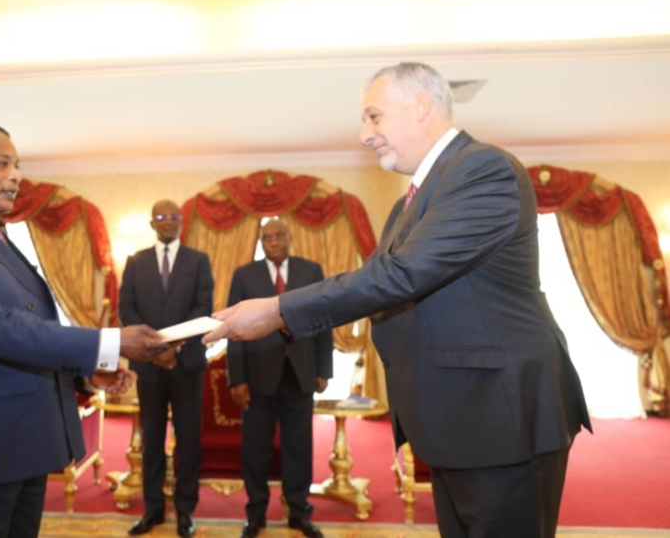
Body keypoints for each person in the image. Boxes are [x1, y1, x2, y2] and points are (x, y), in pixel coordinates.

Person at [204, 62, 592, 538]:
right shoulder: (411, 201)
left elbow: (401, 275)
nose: (364, 133)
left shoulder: (481, 169)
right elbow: (377, 279)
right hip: (463, 420)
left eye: (374, 116)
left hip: (500, 418)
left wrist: (277, 310)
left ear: (422, 105)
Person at [0, 121, 170, 538]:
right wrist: (109, 342)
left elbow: (33, 324)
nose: (16, 176)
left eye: (18, 165)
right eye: (2, 163)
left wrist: (83, 373)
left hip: (19, 445)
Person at [226, 219, 332, 538]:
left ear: (290, 238)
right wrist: (237, 378)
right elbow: (234, 330)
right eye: (267, 237)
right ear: (261, 241)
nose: (273, 242)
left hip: (300, 374)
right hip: (257, 376)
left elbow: (324, 320)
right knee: (255, 450)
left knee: (299, 447)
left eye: (279, 236)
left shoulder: (311, 271)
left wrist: (324, 369)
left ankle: (299, 513)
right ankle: (256, 514)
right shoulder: (244, 275)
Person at [119, 199, 214, 538]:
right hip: (148, 366)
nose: (168, 221)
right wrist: (154, 350)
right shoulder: (135, 262)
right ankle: (153, 510)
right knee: (152, 439)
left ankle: (185, 512)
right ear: (152, 223)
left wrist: (173, 347)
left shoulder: (199, 261)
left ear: (182, 222)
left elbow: (204, 307)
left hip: (186, 364)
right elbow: (126, 309)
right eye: (162, 216)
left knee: (188, 441)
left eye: (174, 216)